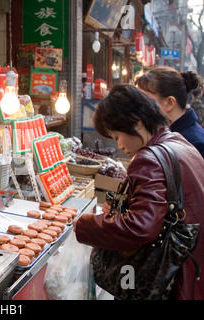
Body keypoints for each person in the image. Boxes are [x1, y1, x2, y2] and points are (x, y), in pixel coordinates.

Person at [73, 84, 204, 300]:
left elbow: (139, 227)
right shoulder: (178, 142)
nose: (119, 145)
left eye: (116, 136)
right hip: (191, 268)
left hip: (169, 278)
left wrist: (86, 225)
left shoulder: (149, 159)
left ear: (136, 122)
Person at [135, 66, 204, 157]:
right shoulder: (164, 134)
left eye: (145, 100)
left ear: (170, 102)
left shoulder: (195, 143)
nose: (139, 108)